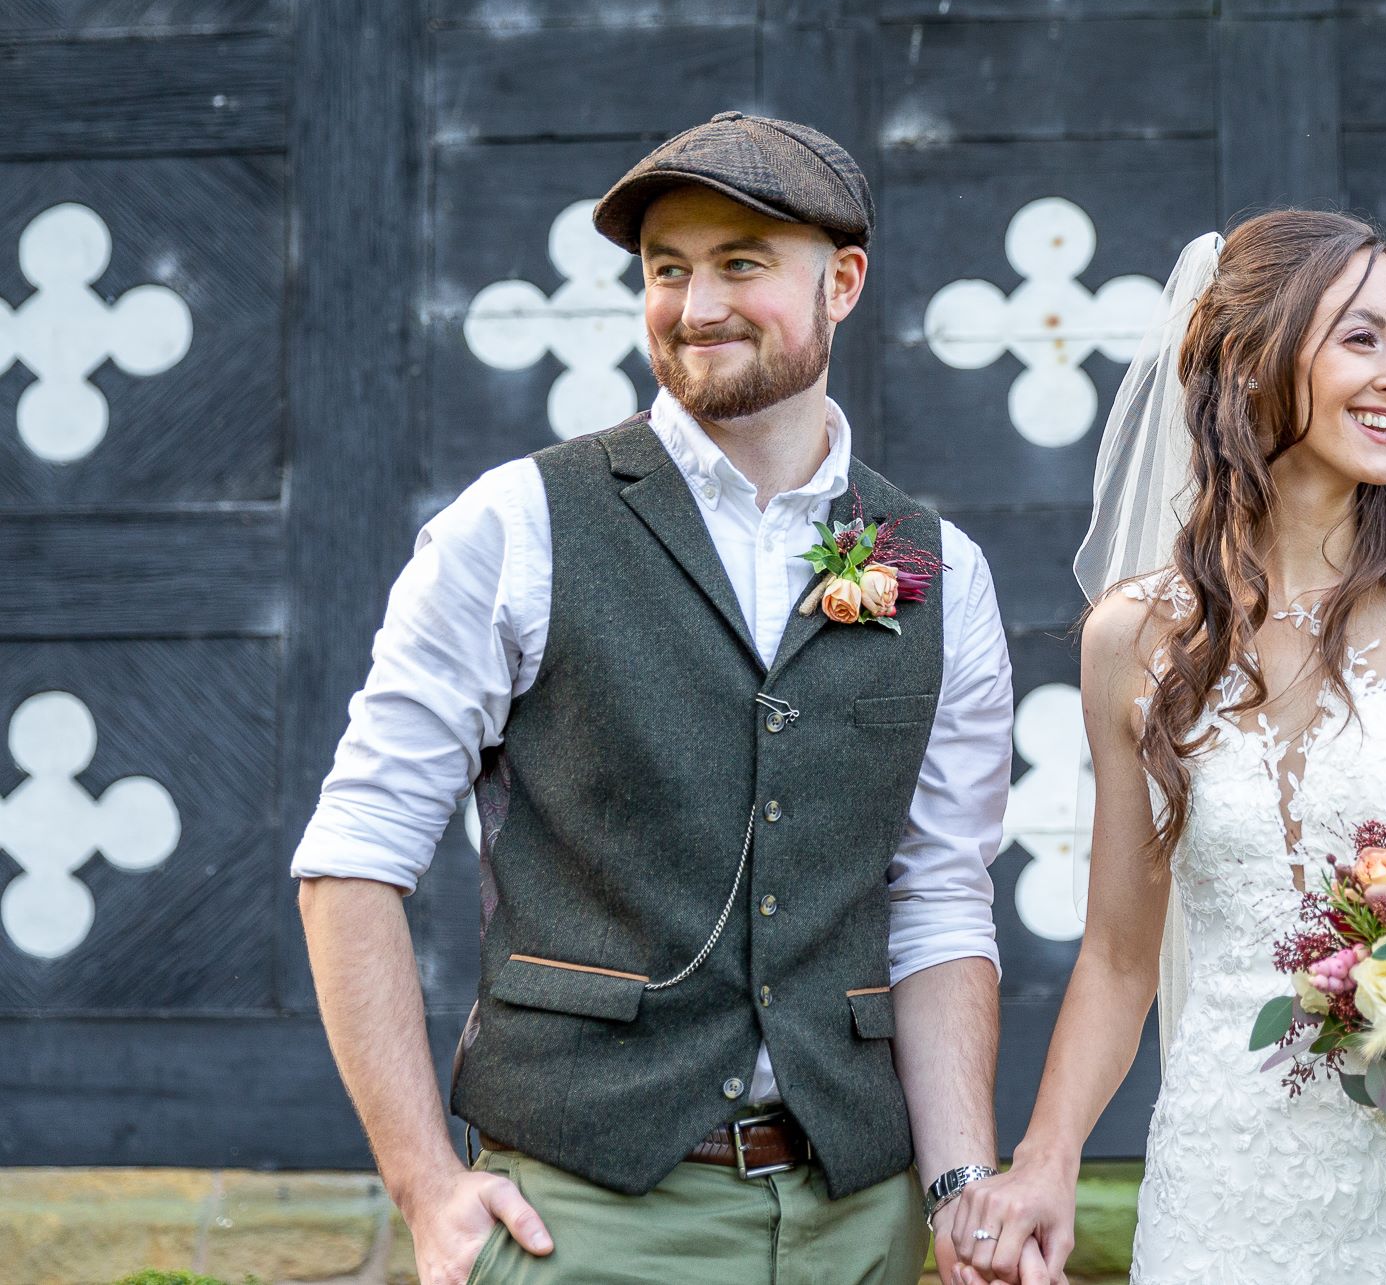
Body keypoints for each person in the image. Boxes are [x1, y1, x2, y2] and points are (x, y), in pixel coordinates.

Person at [292, 111, 1035, 1284]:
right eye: (665, 270)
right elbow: (353, 856)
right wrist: (425, 1186)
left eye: (740, 264)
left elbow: (937, 896)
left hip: (860, 1219)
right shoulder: (516, 524)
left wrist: (955, 1188)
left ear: (841, 282)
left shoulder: (935, 566)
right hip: (588, 1216)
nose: (695, 308)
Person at [947, 211, 1386, 1284]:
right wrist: (1044, 1162)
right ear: (1248, 365)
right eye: (1359, 339)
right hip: (1223, 1183)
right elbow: (1116, 955)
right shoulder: (1133, 641)